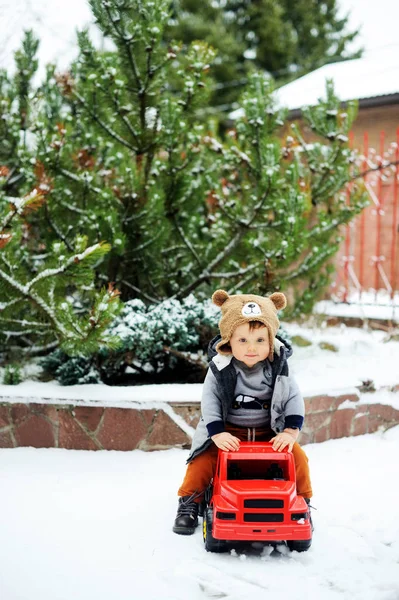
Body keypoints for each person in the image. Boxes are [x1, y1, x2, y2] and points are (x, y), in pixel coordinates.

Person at [173, 288, 313, 535]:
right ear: (228, 341)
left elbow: (292, 397)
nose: (252, 348)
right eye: (243, 340)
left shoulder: (277, 367)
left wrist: (290, 431)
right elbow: (210, 401)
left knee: (297, 458)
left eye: (260, 340)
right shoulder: (220, 367)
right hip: (228, 432)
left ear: (270, 341)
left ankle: (301, 504)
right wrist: (217, 434)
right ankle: (189, 503)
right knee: (202, 461)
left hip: (267, 431)